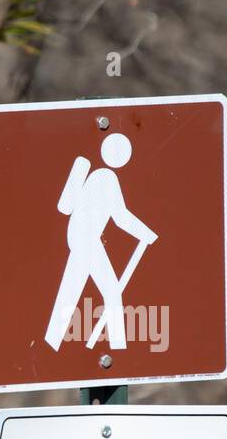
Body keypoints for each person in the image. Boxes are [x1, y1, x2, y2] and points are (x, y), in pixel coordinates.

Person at [44, 133, 158, 351]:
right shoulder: (106, 177)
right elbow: (120, 216)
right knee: (112, 291)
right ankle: (118, 347)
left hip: (80, 238)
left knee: (70, 291)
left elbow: (117, 216)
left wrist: (145, 233)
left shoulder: (99, 175)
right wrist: (146, 233)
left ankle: (51, 343)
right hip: (86, 239)